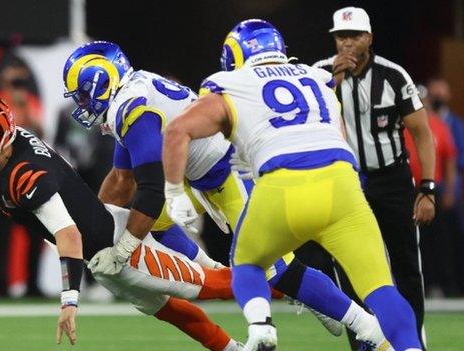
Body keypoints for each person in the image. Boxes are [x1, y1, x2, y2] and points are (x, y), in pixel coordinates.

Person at [0, 29, 246, 351]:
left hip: (116, 249)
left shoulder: (25, 176)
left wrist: (69, 302)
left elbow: (68, 235)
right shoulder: (3, 142)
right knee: (170, 311)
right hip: (99, 247)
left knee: (213, 286)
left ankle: (287, 284)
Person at [62, 41, 392, 350]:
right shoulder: (128, 99)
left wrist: (122, 250)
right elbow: (121, 179)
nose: (81, 105)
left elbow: (149, 191)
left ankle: (366, 326)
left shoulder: (133, 108)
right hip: (203, 176)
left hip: (234, 170)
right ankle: (215, 268)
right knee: (157, 222)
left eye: (81, 96)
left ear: (102, 82)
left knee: (276, 268)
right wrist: (92, 225)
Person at [161, 19, 422, 351]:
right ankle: (407, 346)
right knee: (382, 289)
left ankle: (260, 328)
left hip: (283, 185)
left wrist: (172, 190)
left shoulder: (231, 82)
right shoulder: (317, 77)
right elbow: (337, 136)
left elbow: (177, 131)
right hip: (342, 186)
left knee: (248, 263)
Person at [311, 7, 435, 349]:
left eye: (354, 36)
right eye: (341, 36)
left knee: (406, 263)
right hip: (344, 181)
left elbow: (423, 134)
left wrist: (427, 188)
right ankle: (363, 343)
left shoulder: (393, 76)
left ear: (370, 38)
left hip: (392, 179)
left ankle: (413, 339)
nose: (347, 43)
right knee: (349, 263)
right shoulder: (318, 75)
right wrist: (332, 82)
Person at [0, 60, 46, 297]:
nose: (17, 86)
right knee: (2, 235)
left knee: (36, 233)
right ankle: (1, 286)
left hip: (28, 176)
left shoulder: (30, 102)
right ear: (4, 80)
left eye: (20, 81)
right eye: (14, 81)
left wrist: (25, 108)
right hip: (1, 176)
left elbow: (41, 132)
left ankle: (32, 284)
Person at [426, 78, 464, 296]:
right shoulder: (423, 121)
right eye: (434, 93)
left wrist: (450, 188)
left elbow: (462, 157)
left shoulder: (455, 123)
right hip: (428, 188)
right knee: (432, 240)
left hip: (450, 190)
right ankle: (435, 284)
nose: (437, 97)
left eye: (441, 92)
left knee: (462, 236)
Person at [404, 87, 457, 297]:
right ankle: (414, 285)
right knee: (411, 240)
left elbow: (450, 158)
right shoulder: (403, 124)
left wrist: (450, 190)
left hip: (434, 190)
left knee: (438, 241)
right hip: (409, 189)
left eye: (422, 98)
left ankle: (439, 285)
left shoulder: (439, 125)